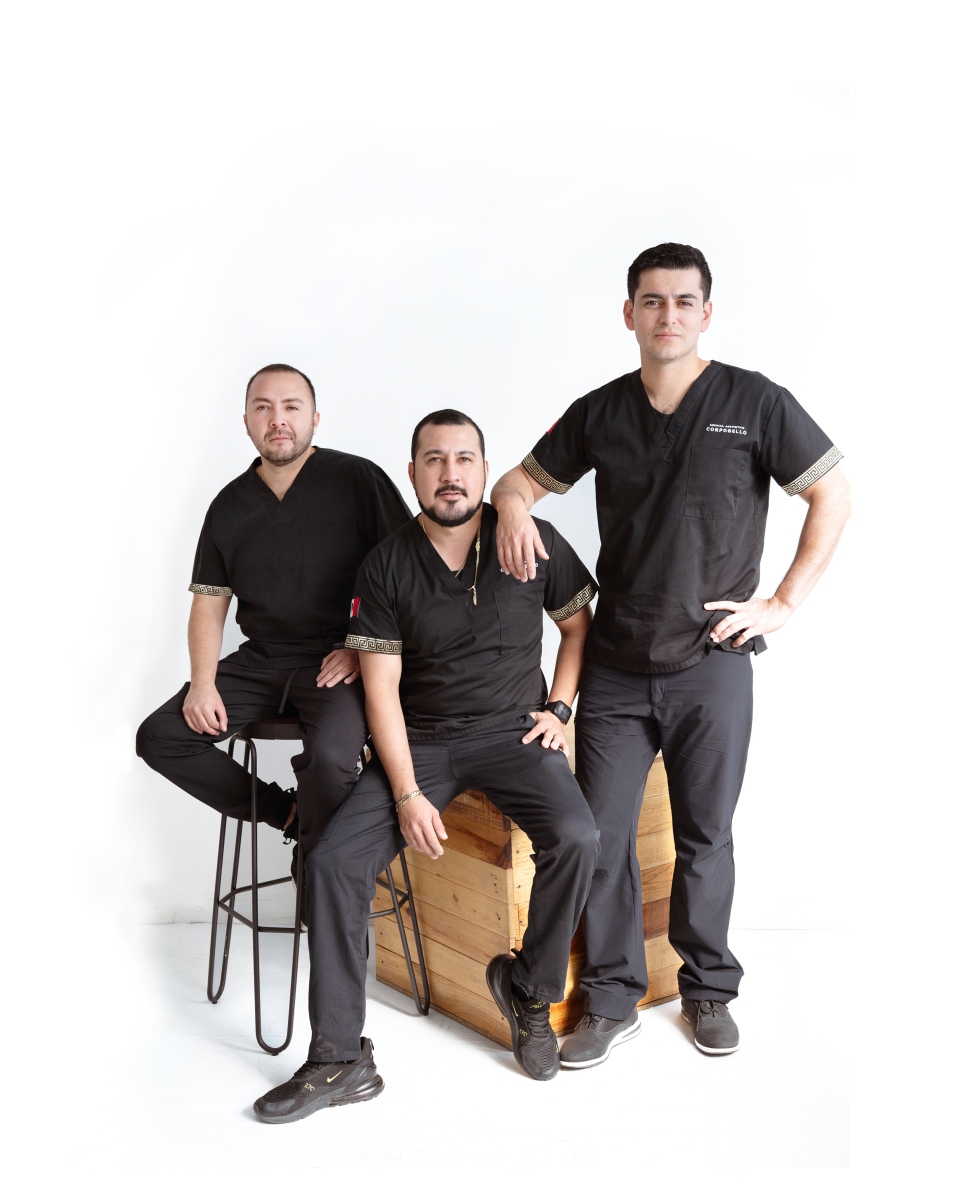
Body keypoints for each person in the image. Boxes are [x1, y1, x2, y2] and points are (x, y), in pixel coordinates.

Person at [491, 243, 851, 1063]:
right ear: (629, 314)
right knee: (600, 835)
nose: (667, 315)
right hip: (615, 665)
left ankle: (707, 990)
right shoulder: (601, 411)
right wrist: (512, 508)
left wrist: (782, 603)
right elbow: (514, 482)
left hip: (712, 662)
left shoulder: (754, 402)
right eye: (651, 301)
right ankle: (610, 999)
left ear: (705, 313)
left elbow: (832, 490)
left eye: (684, 301)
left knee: (704, 836)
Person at [253, 409, 600, 1123]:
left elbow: (576, 627)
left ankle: (530, 991)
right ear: (412, 473)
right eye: (434, 460)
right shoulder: (385, 564)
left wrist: (560, 710)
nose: (450, 474)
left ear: (484, 470)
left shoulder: (531, 540)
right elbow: (379, 687)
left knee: (578, 837)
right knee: (332, 863)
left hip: (513, 733)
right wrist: (408, 791)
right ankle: (340, 1058)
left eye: (464, 459)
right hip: (423, 742)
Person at [136, 363, 411, 867]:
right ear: (246, 421)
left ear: (315, 418)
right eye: (263, 408)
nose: (277, 419)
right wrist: (202, 683)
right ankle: (290, 816)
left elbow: (407, 574)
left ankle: (322, 879)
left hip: (336, 663)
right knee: (161, 736)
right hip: (260, 662)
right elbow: (209, 605)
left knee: (330, 760)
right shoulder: (229, 505)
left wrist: (361, 646)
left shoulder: (358, 480)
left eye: (291, 407)